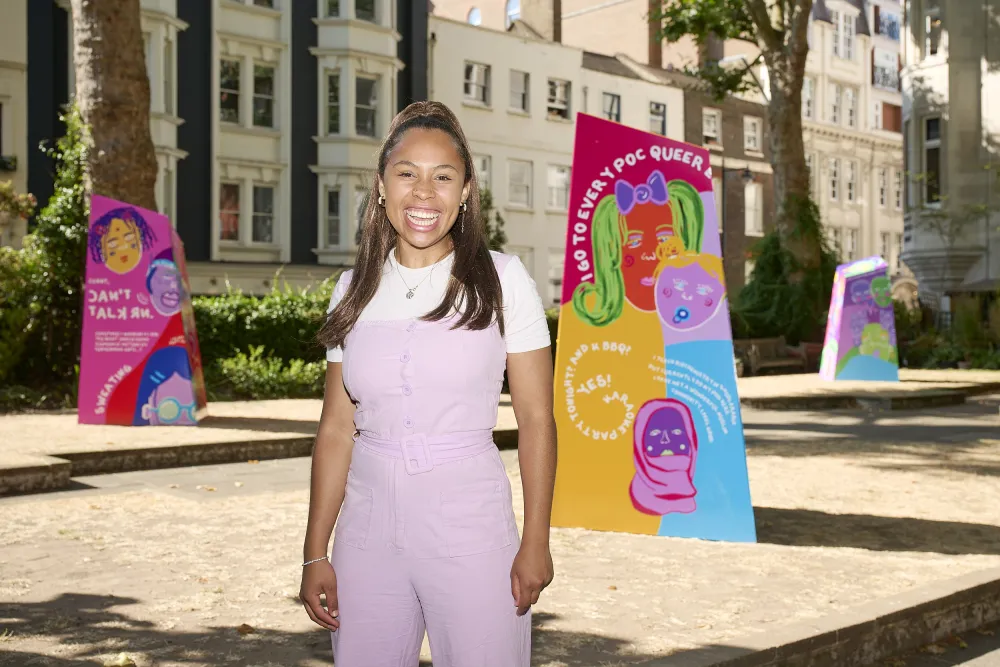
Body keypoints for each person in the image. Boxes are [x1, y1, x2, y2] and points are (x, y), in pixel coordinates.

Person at [299, 101, 558, 667]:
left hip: (471, 525)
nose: (424, 193)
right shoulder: (352, 288)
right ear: (382, 184)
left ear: (466, 189)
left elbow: (537, 420)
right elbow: (337, 428)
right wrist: (314, 552)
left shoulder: (503, 280)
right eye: (407, 173)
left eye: (443, 177)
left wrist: (535, 539)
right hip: (367, 533)